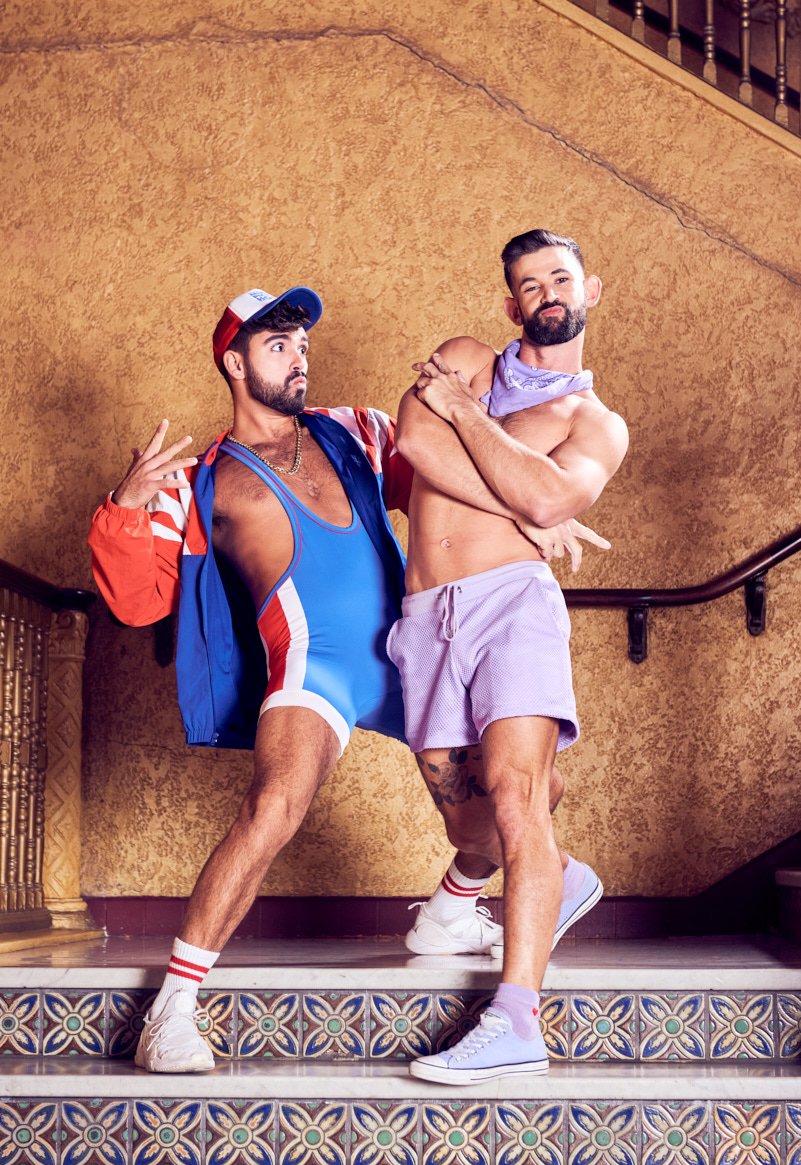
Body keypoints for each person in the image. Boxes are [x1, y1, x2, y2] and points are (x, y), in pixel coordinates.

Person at [88, 284, 601, 1073]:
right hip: (312, 664)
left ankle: (456, 909)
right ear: (233, 361)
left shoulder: (357, 432)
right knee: (273, 806)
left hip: (410, 648)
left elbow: (455, 473)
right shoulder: (197, 482)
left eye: (300, 345)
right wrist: (125, 506)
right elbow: (135, 600)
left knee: (513, 807)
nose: (298, 360)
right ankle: (173, 1011)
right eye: (276, 346)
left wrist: (540, 507)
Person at [390, 228, 629, 1082]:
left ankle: (518, 1018)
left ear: (588, 290)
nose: (545, 294)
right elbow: (413, 446)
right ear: (509, 305)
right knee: (464, 807)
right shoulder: (464, 355)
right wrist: (525, 505)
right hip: (425, 611)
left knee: (520, 799)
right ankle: (546, 880)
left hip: (514, 607)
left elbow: (547, 489)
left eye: (559, 279)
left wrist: (463, 418)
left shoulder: (594, 422)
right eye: (528, 286)